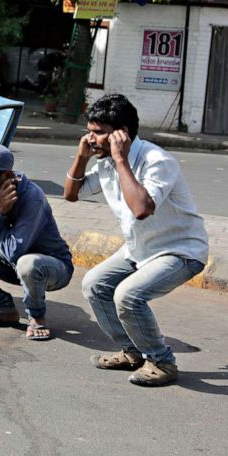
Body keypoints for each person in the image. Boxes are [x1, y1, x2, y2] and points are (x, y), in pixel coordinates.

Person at [63, 94, 208, 386]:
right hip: (139, 249)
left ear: (122, 134)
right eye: (89, 130)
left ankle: (162, 361)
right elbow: (71, 194)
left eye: (98, 132)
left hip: (180, 251)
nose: (91, 139)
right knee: (94, 285)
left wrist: (120, 160)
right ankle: (132, 352)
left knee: (128, 296)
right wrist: (81, 156)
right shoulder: (103, 161)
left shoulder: (157, 161)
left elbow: (141, 209)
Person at [0, 145, 73, 340]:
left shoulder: (32, 197)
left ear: (6, 176)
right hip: (16, 265)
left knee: (28, 263)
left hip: (53, 269)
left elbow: (13, 253)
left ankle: (37, 316)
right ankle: (4, 310)